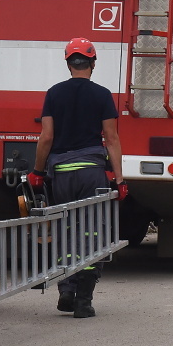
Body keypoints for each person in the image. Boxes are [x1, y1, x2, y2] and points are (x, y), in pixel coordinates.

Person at [27, 38, 125, 319]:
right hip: (92, 173)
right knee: (93, 233)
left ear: (69, 63)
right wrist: (119, 179)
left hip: (61, 174)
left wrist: (37, 171)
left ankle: (66, 290)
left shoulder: (54, 94)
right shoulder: (103, 95)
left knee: (65, 230)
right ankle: (84, 299)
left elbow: (46, 137)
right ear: (92, 64)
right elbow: (112, 138)